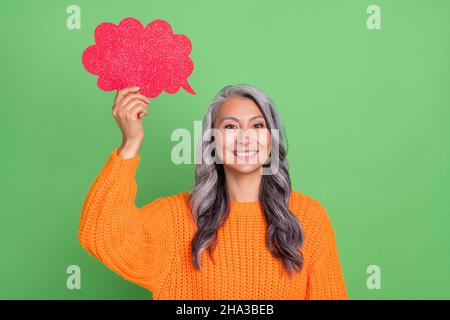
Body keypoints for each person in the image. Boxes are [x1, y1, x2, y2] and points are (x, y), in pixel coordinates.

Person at [78, 84, 348, 300]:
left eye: (257, 125)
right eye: (230, 126)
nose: (245, 137)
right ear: (212, 142)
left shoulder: (308, 218)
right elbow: (100, 235)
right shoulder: (176, 218)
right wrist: (130, 143)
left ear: (271, 139)